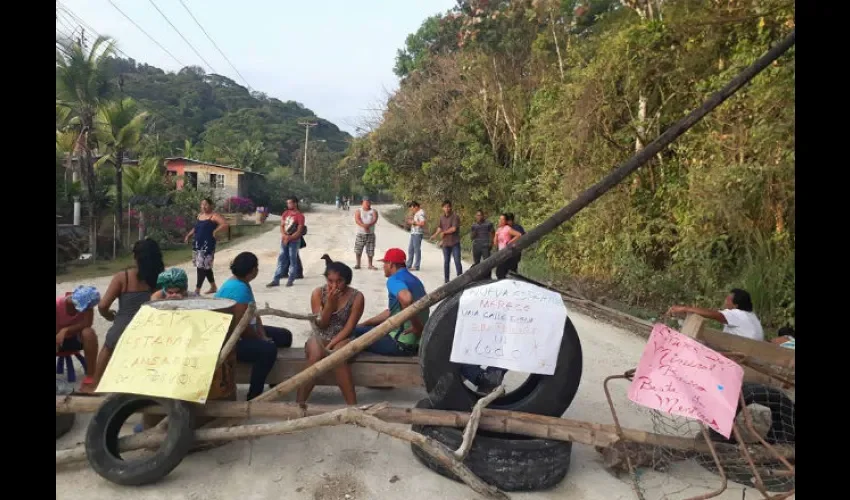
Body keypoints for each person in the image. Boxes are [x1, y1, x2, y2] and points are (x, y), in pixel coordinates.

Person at [91, 238, 166, 390]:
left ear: (135, 257)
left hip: (124, 328)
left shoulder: (123, 277)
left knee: (108, 346)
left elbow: (103, 305)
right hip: (151, 329)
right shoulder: (162, 278)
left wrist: (109, 316)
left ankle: (95, 385)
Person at [217, 252, 294, 400]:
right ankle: (254, 395)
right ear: (252, 271)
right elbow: (242, 328)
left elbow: (254, 315)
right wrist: (262, 340)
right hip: (230, 341)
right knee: (268, 350)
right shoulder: (238, 289)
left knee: (285, 336)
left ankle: (274, 380)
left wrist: (263, 334)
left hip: (241, 331)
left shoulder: (240, 283)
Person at [296, 261, 365, 405]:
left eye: (339, 281)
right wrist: (329, 305)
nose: (334, 285)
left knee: (337, 356)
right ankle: (299, 403)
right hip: (320, 334)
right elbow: (321, 323)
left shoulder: (357, 297)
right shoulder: (318, 293)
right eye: (330, 281)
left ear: (347, 280)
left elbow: (349, 327)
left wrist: (331, 346)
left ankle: (353, 407)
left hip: (343, 337)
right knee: (315, 354)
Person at [353, 248, 428, 356]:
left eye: (384, 263)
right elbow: (391, 312)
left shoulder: (394, 280)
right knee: (361, 329)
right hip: (416, 343)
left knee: (352, 335)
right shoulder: (414, 280)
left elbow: (406, 299)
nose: (383, 267)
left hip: (401, 344)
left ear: (391, 264)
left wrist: (416, 325)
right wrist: (365, 324)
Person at [667, 288, 765, 341]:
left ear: (736, 305)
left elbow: (712, 314)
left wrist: (685, 308)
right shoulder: (752, 316)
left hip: (741, 354)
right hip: (751, 352)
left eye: (728, 300)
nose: (725, 302)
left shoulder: (737, 314)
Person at [56, 285, 101, 393]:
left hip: (75, 338)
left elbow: (87, 323)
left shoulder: (87, 306)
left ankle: (91, 375)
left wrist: (66, 330)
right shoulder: (57, 306)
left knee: (89, 333)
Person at [184, 197, 229, 295]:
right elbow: (196, 228)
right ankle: (213, 286)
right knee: (206, 267)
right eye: (202, 204)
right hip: (198, 244)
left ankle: (197, 290)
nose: (203, 206)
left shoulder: (214, 216)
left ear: (211, 205)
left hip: (207, 245)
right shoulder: (200, 216)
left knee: (201, 267)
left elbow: (224, 224)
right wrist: (189, 235)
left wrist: (215, 231)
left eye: (206, 204)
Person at [267, 196, 306, 288]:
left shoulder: (300, 216)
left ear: (295, 203)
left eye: (290, 203)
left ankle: (290, 280)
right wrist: (284, 235)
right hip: (284, 239)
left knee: (293, 260)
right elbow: (282, 226)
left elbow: (300, 230)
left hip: (294, 241)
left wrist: (291, 237)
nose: (288, 205)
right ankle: (276, 279)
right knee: (281, 259)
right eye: (287, 203)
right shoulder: (285, 213)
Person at [431, 200, 463, 284]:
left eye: (448, 206)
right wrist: (435, 234)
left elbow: (454, 228)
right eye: (445, 207)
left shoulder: (455, 216)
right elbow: (440, 227)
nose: (447, 208)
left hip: (454, 242)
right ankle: (446, 280)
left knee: (457, 261)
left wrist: (444, 232)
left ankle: (461, 279)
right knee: (446, 262)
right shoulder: (442, 217)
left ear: (451, 207)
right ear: (442, 208)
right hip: (445, 243)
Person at [494, 213, 524, 279]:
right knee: (500, 272)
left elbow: (521, 236)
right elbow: (498, 243)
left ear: (511, 220)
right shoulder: (503, 228)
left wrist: (510, 243)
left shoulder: (516, 228)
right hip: (504, 253)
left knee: (511, 271)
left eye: (507, 220)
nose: (507, 222)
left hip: (514, 253)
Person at [354, 196, 379, 270]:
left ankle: (370, 265)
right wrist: (364, 226)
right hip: (360, 234)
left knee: (370, 250)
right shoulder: (358, 211)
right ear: (362, 203)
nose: (368, 204)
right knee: (358, 249)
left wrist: (368, 225)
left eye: (369, 202)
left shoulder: (374, 211)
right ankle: (358, 264)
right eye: (366, 202)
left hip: (370, 234)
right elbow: (357, 220)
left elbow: (375, 220)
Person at [405, 201, 427, 271]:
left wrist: (413, 222)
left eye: (412, 208)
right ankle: (409, 264)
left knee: (417, 250)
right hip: (414, 233)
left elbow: (423, 223)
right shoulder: (417, 213)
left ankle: (416, 266)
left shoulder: (421, 213)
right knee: (410, 249)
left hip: (418, 234)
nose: (412, 210)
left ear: (416, 207)